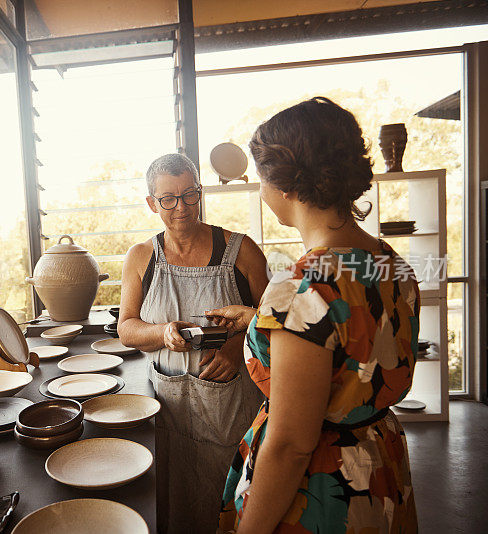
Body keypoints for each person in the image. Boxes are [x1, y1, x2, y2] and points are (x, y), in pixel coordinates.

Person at [209, 97, 419, 533]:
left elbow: (291, 445)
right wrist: (259, 318)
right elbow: (354, 337)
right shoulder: (391, 263)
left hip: (324, 489)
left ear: (285, 185)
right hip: (381, 465)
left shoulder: (298, 288)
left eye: (260, 176)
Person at [118, 153, 269, 534]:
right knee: (175, 502)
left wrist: (236, 349)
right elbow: (127, 328)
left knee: (229, 502)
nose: (181, 207)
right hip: (168, 407)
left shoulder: (242, 251)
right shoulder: (141, 258)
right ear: (152, 203)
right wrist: (162, 332)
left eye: (190, 194)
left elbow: (273, 324)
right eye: (168, 198)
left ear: (200, 193)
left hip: (231, 405)